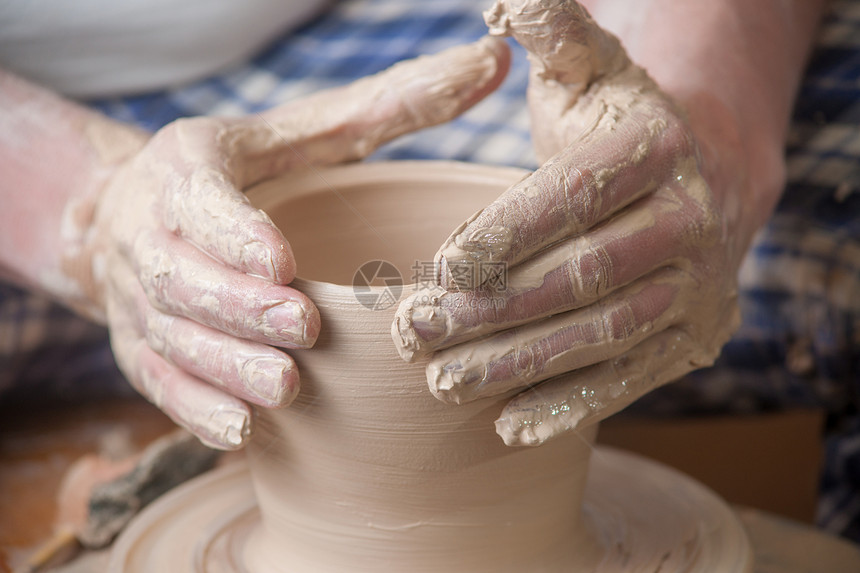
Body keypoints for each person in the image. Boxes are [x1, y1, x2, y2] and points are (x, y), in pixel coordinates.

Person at [4, 0, 857, 539]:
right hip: (31, 102)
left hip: (346, 22)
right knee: (251, 295)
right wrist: (88, 206)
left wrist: (699, 125)